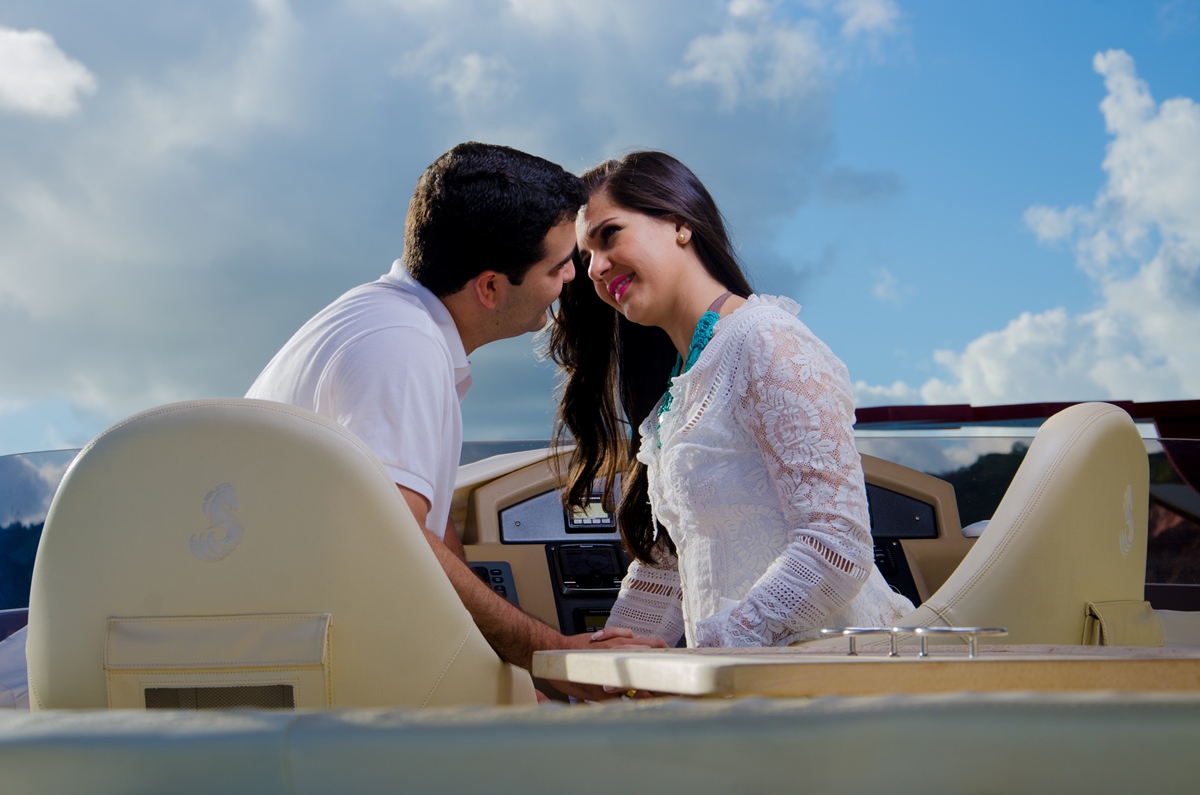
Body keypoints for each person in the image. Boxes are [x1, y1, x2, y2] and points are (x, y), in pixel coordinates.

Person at [247, 143, 665, 692]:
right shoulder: (403, 350)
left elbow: (428, 533)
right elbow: (397, 542)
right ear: (489, 287)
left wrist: (521, 677)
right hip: (322, 668)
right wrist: (556, 655)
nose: (573, 275)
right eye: (558, 265)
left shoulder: (378, 318)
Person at [551, 151, 914, 648]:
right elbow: (672, 560)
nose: (595, 268)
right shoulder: (681, 383)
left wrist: (710, 652)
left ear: (680, 224)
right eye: (585, 257)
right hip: (740, 674)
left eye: (609, 235)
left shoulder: (765, 340)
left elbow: (837, 544)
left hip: (826, 669)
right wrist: (612, 663)